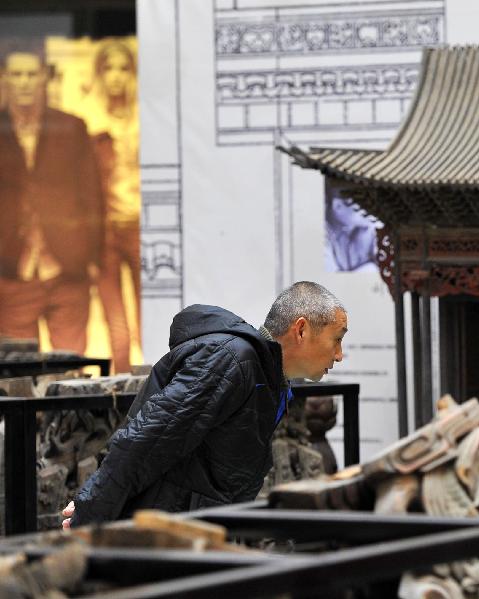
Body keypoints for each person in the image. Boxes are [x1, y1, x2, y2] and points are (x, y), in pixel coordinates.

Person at [63, 281, 348, 527]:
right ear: (301, 330)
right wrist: (90, 515)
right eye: (337, 339)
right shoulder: (232, 361)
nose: (339, 355)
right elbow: (146, 440)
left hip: (187, 533)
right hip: (161, 536)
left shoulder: (265, 375)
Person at [0, 40, 104, 352]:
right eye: (16, 74)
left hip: (67, 267)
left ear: (45, 76)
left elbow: (91, 195)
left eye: (32, 74)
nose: (24, 82)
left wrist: (92, 257)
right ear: (4, 77)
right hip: (12, 271)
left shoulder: (70, 127)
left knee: (72, 376)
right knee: (18, 380)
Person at [83, 40, 142, 373]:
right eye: (109, 68)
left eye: (124, 68)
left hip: (139, 226)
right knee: (117, 327)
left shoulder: (145, 117)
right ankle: (120, 398)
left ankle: (157, 394)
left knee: (150, 317)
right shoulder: (90, 119)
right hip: (105, 232)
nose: (116, 76)